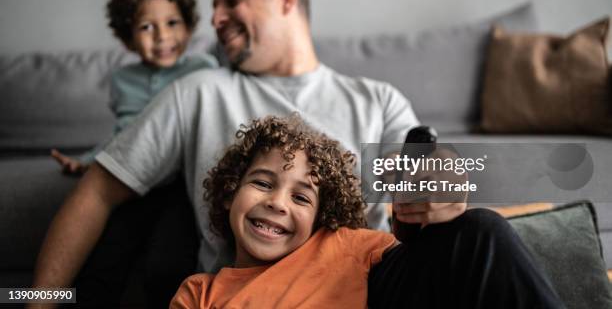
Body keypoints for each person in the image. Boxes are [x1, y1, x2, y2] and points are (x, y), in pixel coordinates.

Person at [31, 0, 549, 308]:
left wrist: (442, 188)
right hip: (254, 290)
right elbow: (97, 192)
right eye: (214, 6)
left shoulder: (376, 99)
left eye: (231, 0)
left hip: (369, 285)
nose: (214, 17)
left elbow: (425, 189)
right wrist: (39, 301)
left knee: (482, 230)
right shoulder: (200, 92)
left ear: (285, 0)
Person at [170, 114, 562, 308]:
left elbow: (432, 261)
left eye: (302, 198)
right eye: (262, 183)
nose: (277, 202)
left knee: (481, 229)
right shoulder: (200, 294)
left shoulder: (344, 245)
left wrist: (427, 205)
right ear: (227, 193)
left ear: (321, 219)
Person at [51, 0, 218, 175]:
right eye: (146, 27)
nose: (162, 36)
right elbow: (123, 135)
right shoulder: (122, 80)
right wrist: (86, 161)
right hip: (135, 172)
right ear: (128, 38)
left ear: (188, 28)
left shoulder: (204, 68)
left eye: (172, 23)